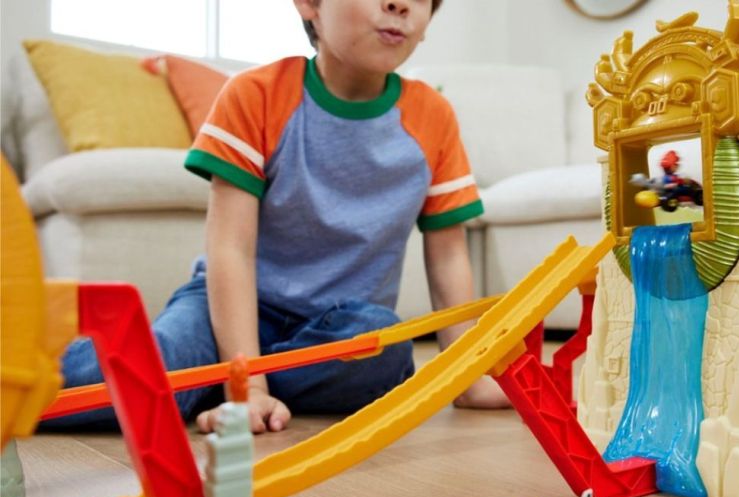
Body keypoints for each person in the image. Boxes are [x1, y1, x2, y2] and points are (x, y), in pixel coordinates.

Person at [47, 0, 510, 435]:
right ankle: (30, 369)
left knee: (383, 351)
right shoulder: (256, 94)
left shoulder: (434, 117)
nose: (399, 4)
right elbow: (230, 247)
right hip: (227, 308)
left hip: (336, 326)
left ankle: (212, 381)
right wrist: (246, 383)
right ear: (310, 4)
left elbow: (449, 256)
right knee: (160, 367)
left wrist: (468, 378)